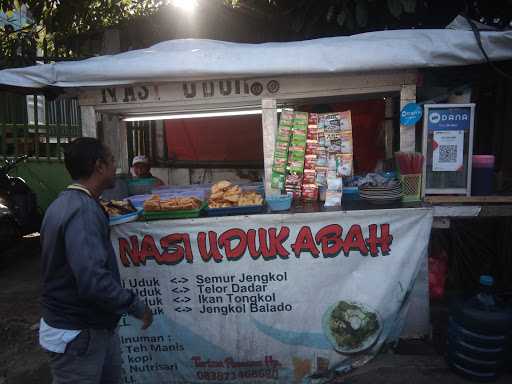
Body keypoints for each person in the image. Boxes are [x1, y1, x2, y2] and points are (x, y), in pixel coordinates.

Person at [39, 137, 153, 384]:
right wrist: (136, 305)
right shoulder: (82, 211)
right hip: (78, 333)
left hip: (89, 328)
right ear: (99, 166)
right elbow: (93, 280)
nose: (116, 168)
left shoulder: (65, 203)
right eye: (112, 161)